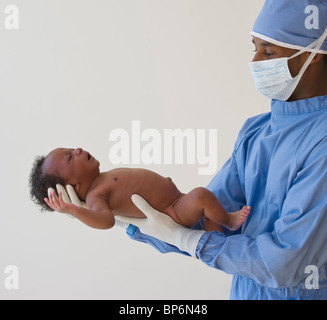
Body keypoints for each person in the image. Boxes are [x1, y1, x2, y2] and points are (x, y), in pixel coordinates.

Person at [50, 0, 327, 300]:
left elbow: (285, 263)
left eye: (269, 52)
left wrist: (191, 241)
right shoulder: (256, 132)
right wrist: (126, 215)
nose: (256, 61)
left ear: (313, 55)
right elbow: (205, 220)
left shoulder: (321, 142)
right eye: (254, 48)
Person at [29, 147, 250, 232]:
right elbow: (106, 221)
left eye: (71, 148)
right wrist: (76, 211)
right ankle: (228, 220)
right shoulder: (97, 196)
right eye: (70, 157)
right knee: (201, 195)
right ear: (73, 187)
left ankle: (217, 230)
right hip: (173, 211)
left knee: (206, 210)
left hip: (177, 202)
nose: (77, 149)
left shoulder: (101, 179)